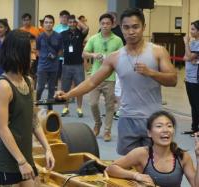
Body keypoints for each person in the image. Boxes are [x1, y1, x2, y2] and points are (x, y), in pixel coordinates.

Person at [55, 8, 177, 155]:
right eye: (126, 27)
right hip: (127, 119)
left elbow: (173, 79)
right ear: (121, 28)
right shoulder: (115, 57)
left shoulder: (158, 51)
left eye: (135, 27)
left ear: (143, 27)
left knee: (153, 164)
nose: (131, 32)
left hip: (153, 119)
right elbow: (92, 82)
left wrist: (151, 73)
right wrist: (68, 95)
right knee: (129, 165)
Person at [0, 29, 55, 186]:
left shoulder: (29, 81)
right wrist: (21, 161)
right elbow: (2, 129)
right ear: (18, 54)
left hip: (24, 157)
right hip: (5, 161)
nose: (34, 56)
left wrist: (47, 148)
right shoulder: (3, 86)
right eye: (30, 52)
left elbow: (33, 119)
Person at [106, 111, 199, 187]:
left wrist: (198, 158)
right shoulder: (141, 153)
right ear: (149, 133)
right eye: (159, 126)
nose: (165, 130)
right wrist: (136, 176)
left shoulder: (182, 156)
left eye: (169, 126)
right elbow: (110, 169)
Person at [82, 13, 123, 141]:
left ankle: (107, 131)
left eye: (108, 23)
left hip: (110, 77)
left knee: (110, 106)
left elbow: (122, 56)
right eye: (103, 23)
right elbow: (84, 53)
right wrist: (94, 55)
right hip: (95, 76)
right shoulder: (94, 38)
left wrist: (112, 59)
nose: (105, 26)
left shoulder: (117, 40)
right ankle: (97, 123)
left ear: (112, 25)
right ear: (100, 24)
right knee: (93, 103)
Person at [60, 14, 89, 118]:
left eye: (74, 22)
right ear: (67, 23)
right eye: (70, 22)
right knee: (65, 88)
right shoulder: (63, 34)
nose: (72, 24)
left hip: (78, 65)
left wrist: (76, 18)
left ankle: (79, 108)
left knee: (80, 87)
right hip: (66, 64)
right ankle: (65, 107)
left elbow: (86, 27)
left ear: (76, 23)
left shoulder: (80, 33)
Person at [36, 15, 63, 110]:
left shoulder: (58, 36)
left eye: (50, 22)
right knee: (40, 87)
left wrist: (55, 56)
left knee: (52, 88)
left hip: (54, 66)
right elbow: (37, 50)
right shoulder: (39, 37)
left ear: (53, 24)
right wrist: (43, 57)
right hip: (42, 66)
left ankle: (49, 108)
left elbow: (60, 50)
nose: (48, 24)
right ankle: (36, 103)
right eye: (46, 22)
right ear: (43, 24)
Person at [182, 20, 199, 136]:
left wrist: (186, 43)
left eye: (193, 29)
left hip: (196, 79)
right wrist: (190, 57)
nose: (191, 31)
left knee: (197, 105)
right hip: (188, 78)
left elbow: (189, 56)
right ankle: (194, 128)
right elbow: (186, 58)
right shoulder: (193, 43)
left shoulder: (196, 44)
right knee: (193, 104)